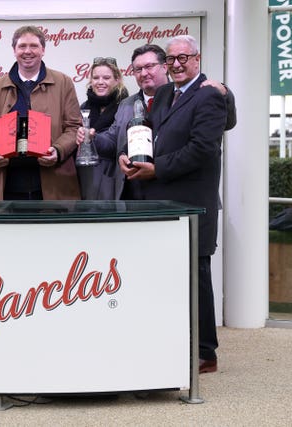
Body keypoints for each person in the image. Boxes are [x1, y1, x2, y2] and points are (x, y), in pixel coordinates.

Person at [118, 35, 231, 374]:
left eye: (185, 57)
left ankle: (205, 352)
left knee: (196, 276)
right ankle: (171, 342)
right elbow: (150, 133)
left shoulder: (211, 94)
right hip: (159, 202)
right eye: (172, 59)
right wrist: (131, 157)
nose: (178, 63)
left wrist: (157, 169)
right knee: (165, 276)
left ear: (198, 58)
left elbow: (202, 149)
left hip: (192, 204)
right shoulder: (166, 92)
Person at [78, 43, 236, 200]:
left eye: (149, 66)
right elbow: (115, 141)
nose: (144, 73)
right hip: (134, 193)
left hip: (182, 193)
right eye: (138, 69)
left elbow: (223, 126)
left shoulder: (197, 94)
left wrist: (225, 93)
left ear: (164, 67)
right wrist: (98, 141)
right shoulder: (126, 104)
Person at [0, 25, 81, 200]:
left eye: (34, 46)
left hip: (53, 184)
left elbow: (74, 127)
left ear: (43, 50)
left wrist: (58, 150)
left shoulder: (63, 82)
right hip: (9, 185)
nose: (28, 51)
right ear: (14, 50)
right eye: (22, 46)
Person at [78, 56, 128, 199]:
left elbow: (117, 143)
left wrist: (93, 137)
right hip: (85, 175)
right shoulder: (84, 107)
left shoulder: (125, 106)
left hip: (113, 176)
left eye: (106, 78)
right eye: (96, 78)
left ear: (117, 79)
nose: (100, 82)